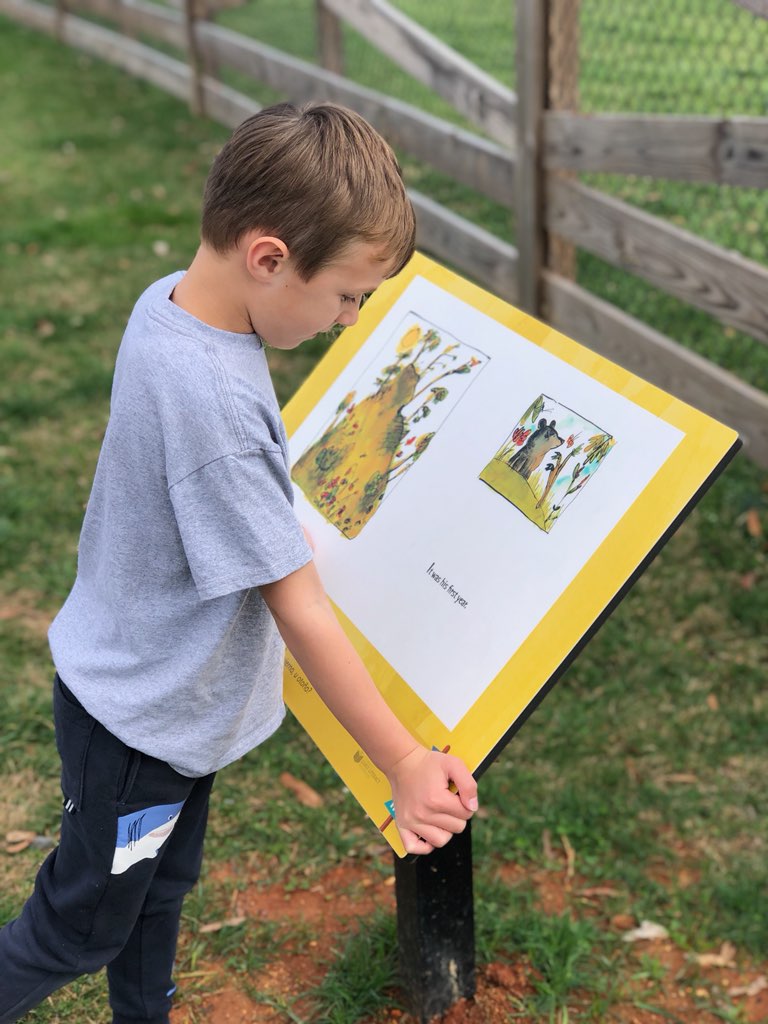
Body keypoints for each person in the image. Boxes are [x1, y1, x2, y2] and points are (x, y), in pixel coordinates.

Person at [0, 102, 478, 1024]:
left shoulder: (171, 302)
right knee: (77, 930)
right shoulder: (214, 401)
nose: (348, 321)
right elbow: (297, 606)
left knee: (155, 891)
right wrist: (404, 761)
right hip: (140, 725)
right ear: (267, 257)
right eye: (347, 295)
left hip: (159, 710)